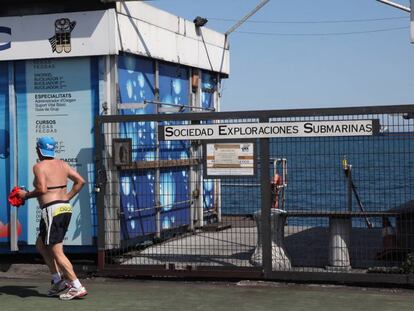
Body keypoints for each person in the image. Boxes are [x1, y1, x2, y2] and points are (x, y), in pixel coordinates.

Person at [16, 136, 87, 300]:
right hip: (63, 208)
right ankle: (58, 280)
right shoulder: (62, 164)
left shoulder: (39, 166)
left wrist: (25, 195)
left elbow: (41, 188)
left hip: (52, 211)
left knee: (56, 251)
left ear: (38, 150)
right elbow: (80, 181)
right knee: (41, 244)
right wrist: (66, 197)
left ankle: (77, 286)